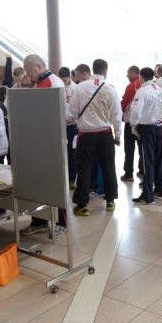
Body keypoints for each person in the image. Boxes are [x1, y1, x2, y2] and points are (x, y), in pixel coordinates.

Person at [18, 54, 68, 238]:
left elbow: (59, 113)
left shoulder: (54, 82)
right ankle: (39, 221)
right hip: (37, 141)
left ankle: (62, 223)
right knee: (37, 184)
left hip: (52, 141)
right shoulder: (35, 83)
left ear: (38, 67)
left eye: (29, 71)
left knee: (55, 185)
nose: (27, 74)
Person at [69, 59, 122, 216]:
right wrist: (118, 134)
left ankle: (82, 205)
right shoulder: (110, 89)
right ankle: (110, 200)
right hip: (105, 133)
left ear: (92, 70)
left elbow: (73, 111)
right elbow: (117, 114)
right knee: (108, 167)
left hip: (86, 134)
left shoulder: (81, 87)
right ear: (105, 71)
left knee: (84, 168)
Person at [130, 67, 162, 204]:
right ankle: (160, 190)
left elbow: (135, 111)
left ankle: (147, 195)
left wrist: (134, 124)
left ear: (141, 77)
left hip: (147, 128)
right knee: (159, 159)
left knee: (147, 161)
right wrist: (160, 117)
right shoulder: (159, 89)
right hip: (158, 127)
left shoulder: (142, 91)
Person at [120, 65, 143, 182]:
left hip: (130, 121)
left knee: (129, 149)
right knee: (142, 149)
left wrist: (121, 111)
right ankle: (142, 171)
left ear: (133, 73)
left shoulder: (132, 85)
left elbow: (124, 103)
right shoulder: (144, 85)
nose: (127, 75)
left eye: (128, 73)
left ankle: (128, 174)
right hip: (142, 122)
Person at [59, 66, 78, 190]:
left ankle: (71, 179)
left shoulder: (76, 88)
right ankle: (62, 178)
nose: (63, 82)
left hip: (73, 124)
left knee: (72, 152)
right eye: (61, 80)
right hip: (61, 125)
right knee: (61, 152)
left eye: (65, 80)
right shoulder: (57, 87)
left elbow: (77, 105)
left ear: (70, 77)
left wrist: (71, 116)